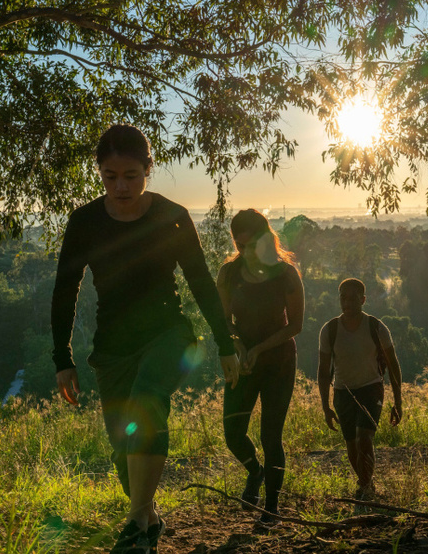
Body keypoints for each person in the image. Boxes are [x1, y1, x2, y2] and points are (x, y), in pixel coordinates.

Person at [52, 124, 241, 554]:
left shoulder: (171, 215)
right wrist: (62, 357)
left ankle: (135, 523)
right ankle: (149, 517)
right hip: (112, 345)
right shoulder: (84, 222)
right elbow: (65, 290)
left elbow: (200, 281)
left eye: (131, 176)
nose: (121, 186)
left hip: (168, 333)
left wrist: (225, 343)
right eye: (110, 177)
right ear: (99, 173)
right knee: (124, 447)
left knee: (147, 401)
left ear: (148, 170)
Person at [216, 209, 304, 527]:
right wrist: (238, 345)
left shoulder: (286, 274)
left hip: (278, 362)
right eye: (240, 246)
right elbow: (223, 320)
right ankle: (255, 472)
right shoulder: (229, 274)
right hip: (244, 363)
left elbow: (296, 325)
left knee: (271, 437)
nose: (246, 251)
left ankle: (271, 507)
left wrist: (260, 348)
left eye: (252, 244)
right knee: (232, 433)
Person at [317, 278, 403, 501]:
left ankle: (364, 488)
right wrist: (326, 406)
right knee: (352, 445)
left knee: (364, 437)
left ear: (363, 300)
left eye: (353, 298)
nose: (347, 302)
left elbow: (393, 367)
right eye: (343, 297)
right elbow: (323, 371)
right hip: (342, 392)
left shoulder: (376, 327)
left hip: (370, 389)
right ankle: (367, 484)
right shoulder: (330, 330)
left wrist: (398, 402)